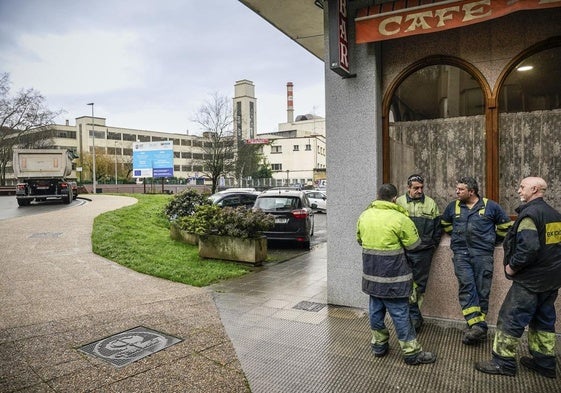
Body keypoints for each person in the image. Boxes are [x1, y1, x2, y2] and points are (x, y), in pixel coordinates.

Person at [475, 177, 561, 378]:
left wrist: (512, 267)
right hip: (551, 280)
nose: (519, 190)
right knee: (543, 321)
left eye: (522, 187)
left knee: (510, 319)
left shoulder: (530, 215)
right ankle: (545, 363)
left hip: (530, 282)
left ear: (534, 189)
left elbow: (528, 249)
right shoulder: (554, 214)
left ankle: (502, 363)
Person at [356, 183, 436, 365]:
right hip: (394, 279)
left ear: (377, 195)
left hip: (371, 277)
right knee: (400, 314)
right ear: (394, 198)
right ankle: (412, 353)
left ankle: (379, 346)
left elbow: (359, 239)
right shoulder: (400, 218)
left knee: (375, 312)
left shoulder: (364, 215)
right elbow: (414, 245)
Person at [441, 176, 512, 345]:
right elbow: (445, 224)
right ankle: (478, 326)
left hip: (483, 255)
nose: (456, 192)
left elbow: (505, 226)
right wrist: (457, 238)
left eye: (461, 189)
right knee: (467, 286)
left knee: (482, 290)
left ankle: (474, 329)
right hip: (461, 255)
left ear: (471, 191)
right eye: (457, 188)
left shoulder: (490, 206)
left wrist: (492, 241)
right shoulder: (453, 206)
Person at [396, 174, 442, 331]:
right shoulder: (399, 202)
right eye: (416, 188)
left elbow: (438, 227)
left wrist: (432, 245)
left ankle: (414, 316)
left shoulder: (430, 203)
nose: (419, 191)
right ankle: (413, 317)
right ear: (408, 188)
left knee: (420, 285)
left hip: (423, 252)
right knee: (405, 284)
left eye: (422, 188)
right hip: (404, 251)